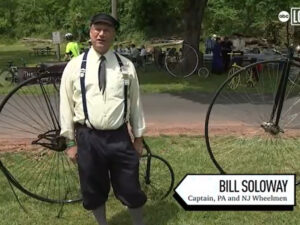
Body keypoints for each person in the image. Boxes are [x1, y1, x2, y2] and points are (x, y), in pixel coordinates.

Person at [60, 13, 147, 225]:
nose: (101, 34)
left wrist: (138, 138)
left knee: (130, 186)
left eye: (106, 30)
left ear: (113, 34)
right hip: (88, 137)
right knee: (92, 187)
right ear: (90, 32)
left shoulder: (126, 66)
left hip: (119, 136)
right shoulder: (74, 66)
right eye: (97, 29)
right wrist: (70, 141)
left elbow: (135, 103)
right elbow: (65, 106)